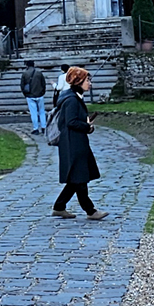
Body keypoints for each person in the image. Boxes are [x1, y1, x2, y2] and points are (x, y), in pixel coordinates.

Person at [52, 64, 106, 219]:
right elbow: (71, 122)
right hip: (73, 143)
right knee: (80, 177)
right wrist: (87, 127)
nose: (90, 83)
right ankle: (90, 211)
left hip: (75, 142)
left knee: (76, 177)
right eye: (87, 80)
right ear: (78, 81)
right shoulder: (71, 100)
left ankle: (59, 206)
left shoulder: (73, 97)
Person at [19, 57, 48, 133]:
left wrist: (25, 94)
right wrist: (42, 92)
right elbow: (43, 83)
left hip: (30, 95)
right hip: (39, 94)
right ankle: (43, 127)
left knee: (33, 113)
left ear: (27, 65)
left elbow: (22, 85)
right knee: (42, 112)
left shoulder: (25, 73)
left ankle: (35, 128)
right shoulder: (39, 73)